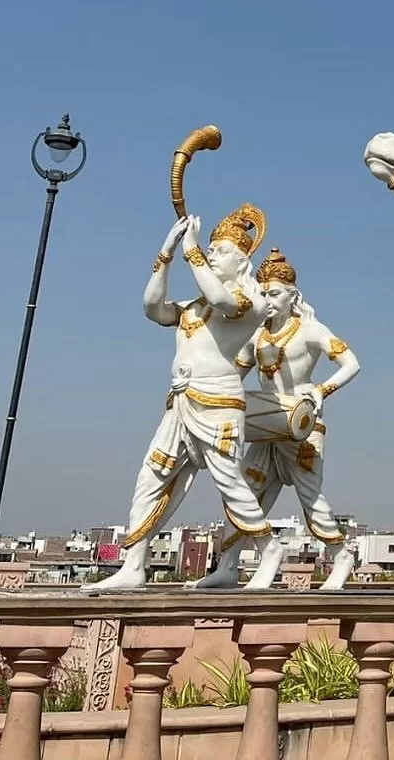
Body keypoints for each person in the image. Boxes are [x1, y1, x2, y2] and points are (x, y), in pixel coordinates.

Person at [83, 207, 285, 593]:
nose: (210, 254)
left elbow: (222, 299)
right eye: (209, 248)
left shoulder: (249, 302)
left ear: (242, 259)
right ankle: (134, 562)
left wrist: (192, 250)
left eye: (219, 250)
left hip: (219, 405)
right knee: (151, 477)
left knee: (230, 484)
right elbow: (152, 308)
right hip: (180, 404)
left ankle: (268, 548)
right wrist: (166, 253)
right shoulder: (194, 306)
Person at [192, 248, 361, 590]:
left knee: (310, 499)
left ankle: (341, 555)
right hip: (266, 426)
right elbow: (233, 374)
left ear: (292, 295)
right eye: (264, 293)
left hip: (301, 426)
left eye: (275, 293)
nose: (268, 299)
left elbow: (352, 364)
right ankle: (228, 564)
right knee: (243, 494)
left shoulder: (310, 330)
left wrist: (321, 389)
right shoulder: (255, 334)